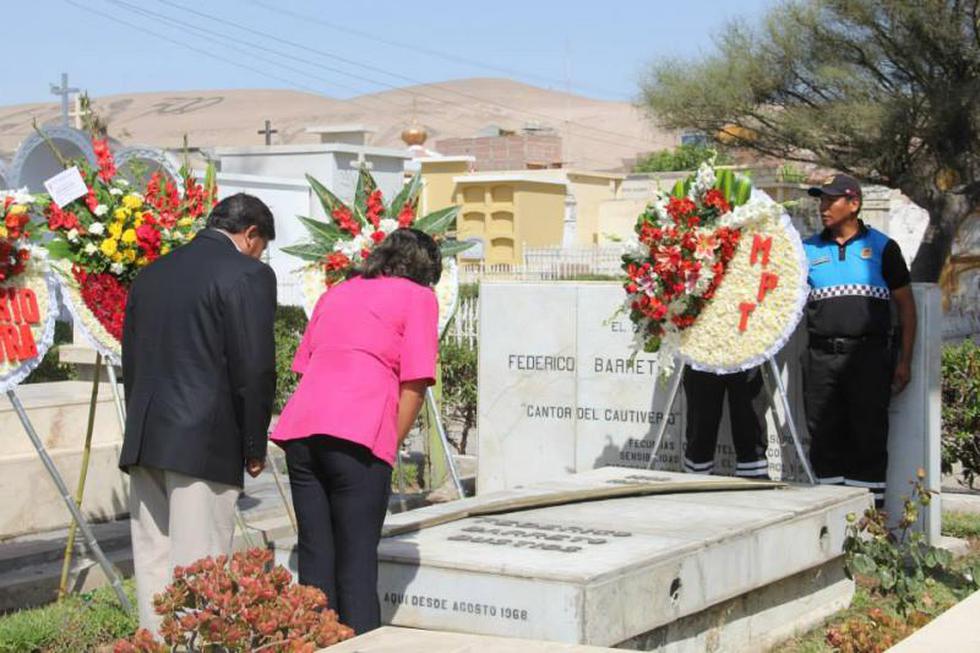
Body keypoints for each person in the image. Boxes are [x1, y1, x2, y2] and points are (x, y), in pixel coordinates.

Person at [119, 193, 277, 633]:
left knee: (153, 561)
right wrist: (253, 442)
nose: (261, 254)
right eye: (262, 245)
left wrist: (139, 424)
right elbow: (255, 366)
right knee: (199, 565)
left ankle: (153, 643)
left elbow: (131, 359)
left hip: (147, 436)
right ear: (250, 236)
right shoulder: (249, 274)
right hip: (204, 438)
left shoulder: (152, 273)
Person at [271, 228, 441, 635]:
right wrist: (388, 443)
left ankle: (312, 642)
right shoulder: (419, 297)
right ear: (425, 269)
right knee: (357, 561)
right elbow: (415, 384)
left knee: (315, 555)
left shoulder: (337, 292)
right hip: (358, 432)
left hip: (302, 430)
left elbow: (306, 364)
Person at [803, 173, 916, 507]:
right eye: (821, 199)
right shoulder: (806, 249)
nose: (823, 207)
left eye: (830, 199)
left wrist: (905, 361)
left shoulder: (883, 248)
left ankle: (868, 528)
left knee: (867, 440)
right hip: (821, 360)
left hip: (869, 359)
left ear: (853, 204)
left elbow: (907, 309)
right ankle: (832, 517)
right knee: (824, 440)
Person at [682, 367, 770, 479]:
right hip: (704, 358)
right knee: (701, 422)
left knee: (749, 418)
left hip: (748, 358)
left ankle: (753, 474)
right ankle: (697, 475)